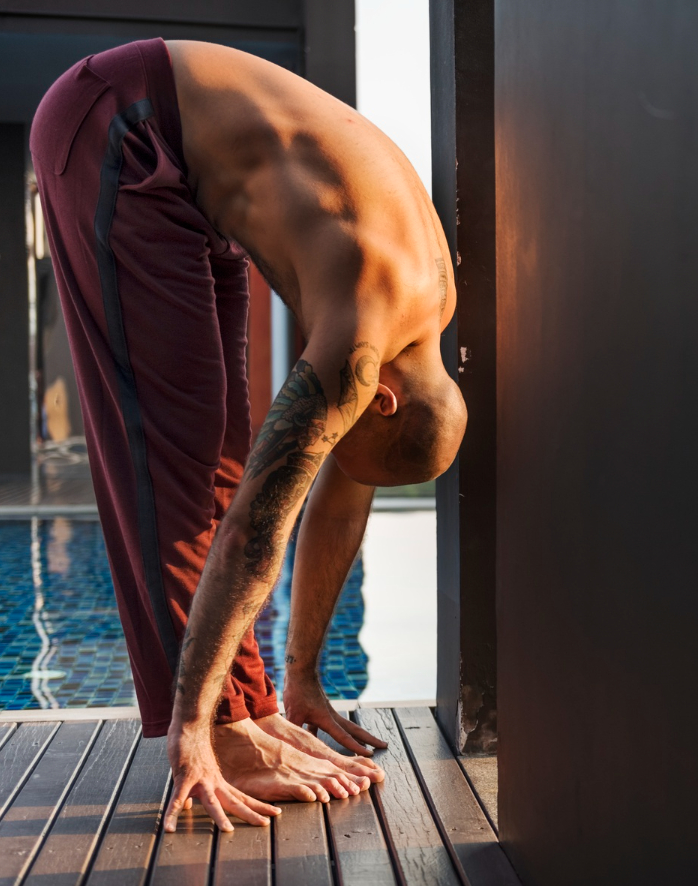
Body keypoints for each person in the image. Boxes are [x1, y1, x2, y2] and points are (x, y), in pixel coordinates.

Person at [30, 38, 465, 833]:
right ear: (382, 402)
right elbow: (255, 534)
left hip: (196, 177)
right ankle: (224, 731)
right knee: (179, 461)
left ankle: (253, 704)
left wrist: (301, 680)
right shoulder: (364, 333)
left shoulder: (422, 317)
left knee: (225, 459)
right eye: (343, 442)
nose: (333, 456)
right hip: (122, 125)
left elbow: (340, 499)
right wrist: (194, 729)